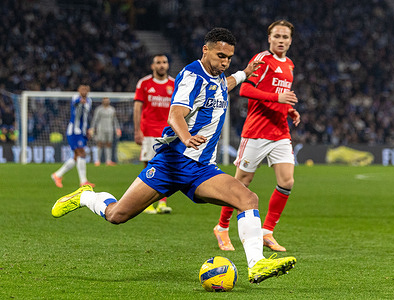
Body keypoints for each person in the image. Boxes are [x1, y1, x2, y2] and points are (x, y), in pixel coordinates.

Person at [51, 28, 296, 284]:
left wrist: (244, 73)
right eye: (220, 55)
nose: (224, 62)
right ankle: (86, 196)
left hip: (201, 169)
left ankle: (256, 265)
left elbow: (225, 85)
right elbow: (175, 114)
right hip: (171, 163)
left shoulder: (219, 76)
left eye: (229, 58)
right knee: (117, 215)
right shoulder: (191, 76)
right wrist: (186, 136)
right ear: (206, 49)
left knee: (248, 199)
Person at [213, 20, 300, 252]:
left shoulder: (289, 64)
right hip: (257, 131)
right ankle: (222, 228)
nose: (281, 41)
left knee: (287, 181)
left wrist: (289, 109)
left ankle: (267, 231)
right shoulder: (262, 59)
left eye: (285, 37)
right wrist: (278, 100)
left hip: (280, 131)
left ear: (291, 40)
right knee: (241, 183)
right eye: (277, 36)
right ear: (269, 38)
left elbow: (277, 93)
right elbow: (245, 90)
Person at [134, 54, 175, 214]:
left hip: (168, 132)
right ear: (152, 66)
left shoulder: (174, 84)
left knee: (169, 166)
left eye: (164, 62)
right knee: (148, 166)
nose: (162, 65)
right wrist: (137, 130)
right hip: (149, 131)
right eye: (158, 63)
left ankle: (162, 202)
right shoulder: (144, 83)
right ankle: (147, 203)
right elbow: (137, 108)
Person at [51, 84, 96, 188]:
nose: (84, 91)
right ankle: (83, 181)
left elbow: (85, 117)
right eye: (82, 89)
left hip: (82, 131)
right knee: (82, 153)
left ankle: (57, 175)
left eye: (86, 89)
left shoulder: (89, 101)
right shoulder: (76, 97)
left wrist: (88, 129)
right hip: (74, 131)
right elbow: (75, 103)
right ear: (79, 90)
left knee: (76, 157)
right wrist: (80, 101)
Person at [89, 97, 122, 166]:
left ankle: (108, 160)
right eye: (105, 100)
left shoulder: (112, 109)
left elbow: (115, 120)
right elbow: (95, 119)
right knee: (100, 143)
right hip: (100, 128)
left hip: (110, 128)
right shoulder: (99, 109)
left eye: (107, 100)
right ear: (102, 101)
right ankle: (97, 160)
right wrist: (92, 128)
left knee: (109, 144)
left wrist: (117, 129)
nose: (106, 102)